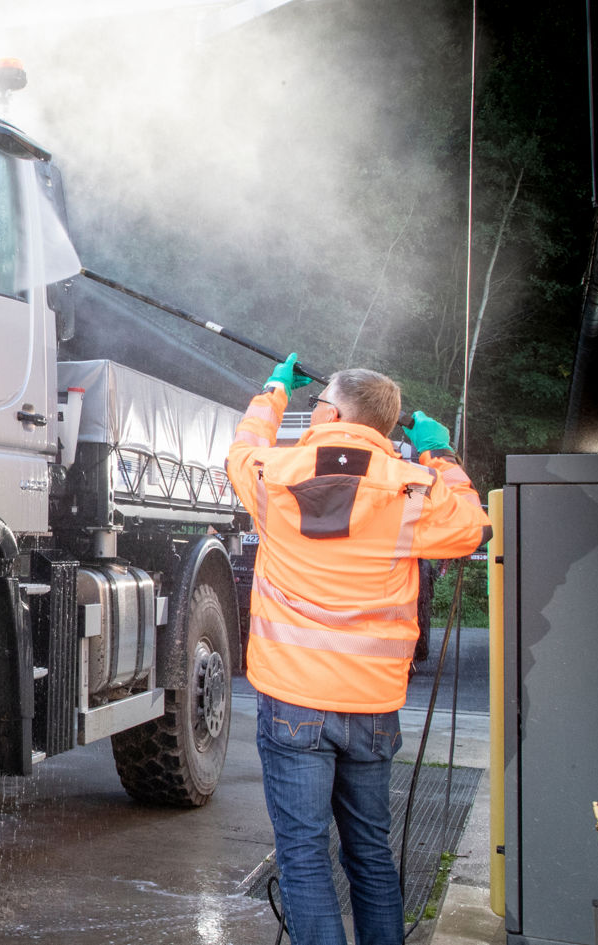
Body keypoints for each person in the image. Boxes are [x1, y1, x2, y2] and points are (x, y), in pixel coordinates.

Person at [227, 356, 490, 945]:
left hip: (294, 702)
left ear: (331, 411)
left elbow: (240, 450)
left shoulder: (275, 473)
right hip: (371, 705)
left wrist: (273, 391)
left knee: (303, 856)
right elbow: (474, 526)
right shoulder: (412, 487)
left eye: (320, 403)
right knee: (369, 852)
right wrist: (438, 455)